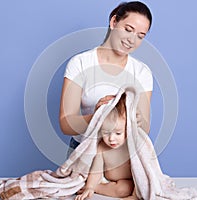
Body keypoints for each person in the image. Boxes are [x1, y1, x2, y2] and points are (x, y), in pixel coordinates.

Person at [59, 1, 153, 156]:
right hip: (83, 151)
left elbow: (145, 128)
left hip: (122, 154)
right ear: (114, 22)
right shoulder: (81, 63)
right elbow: (65, 124)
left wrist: (132, 118)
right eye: (128, 30)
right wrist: (98, 115)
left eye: (140, 36)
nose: (132, 40)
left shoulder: (142, 72)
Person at [75, 93, 137, 200]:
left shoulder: (131, 147)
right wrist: (90, 187)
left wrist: (136, 195)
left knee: (124, 189)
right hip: (106, 181)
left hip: (129, 182)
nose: (111, 139)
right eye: (106, 133)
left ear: (127, 129)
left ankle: (98, 188)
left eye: (118, 133)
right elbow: (96, 172)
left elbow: (140, 172)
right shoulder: (101, 147)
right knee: (84, 181)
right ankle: (95, 187)